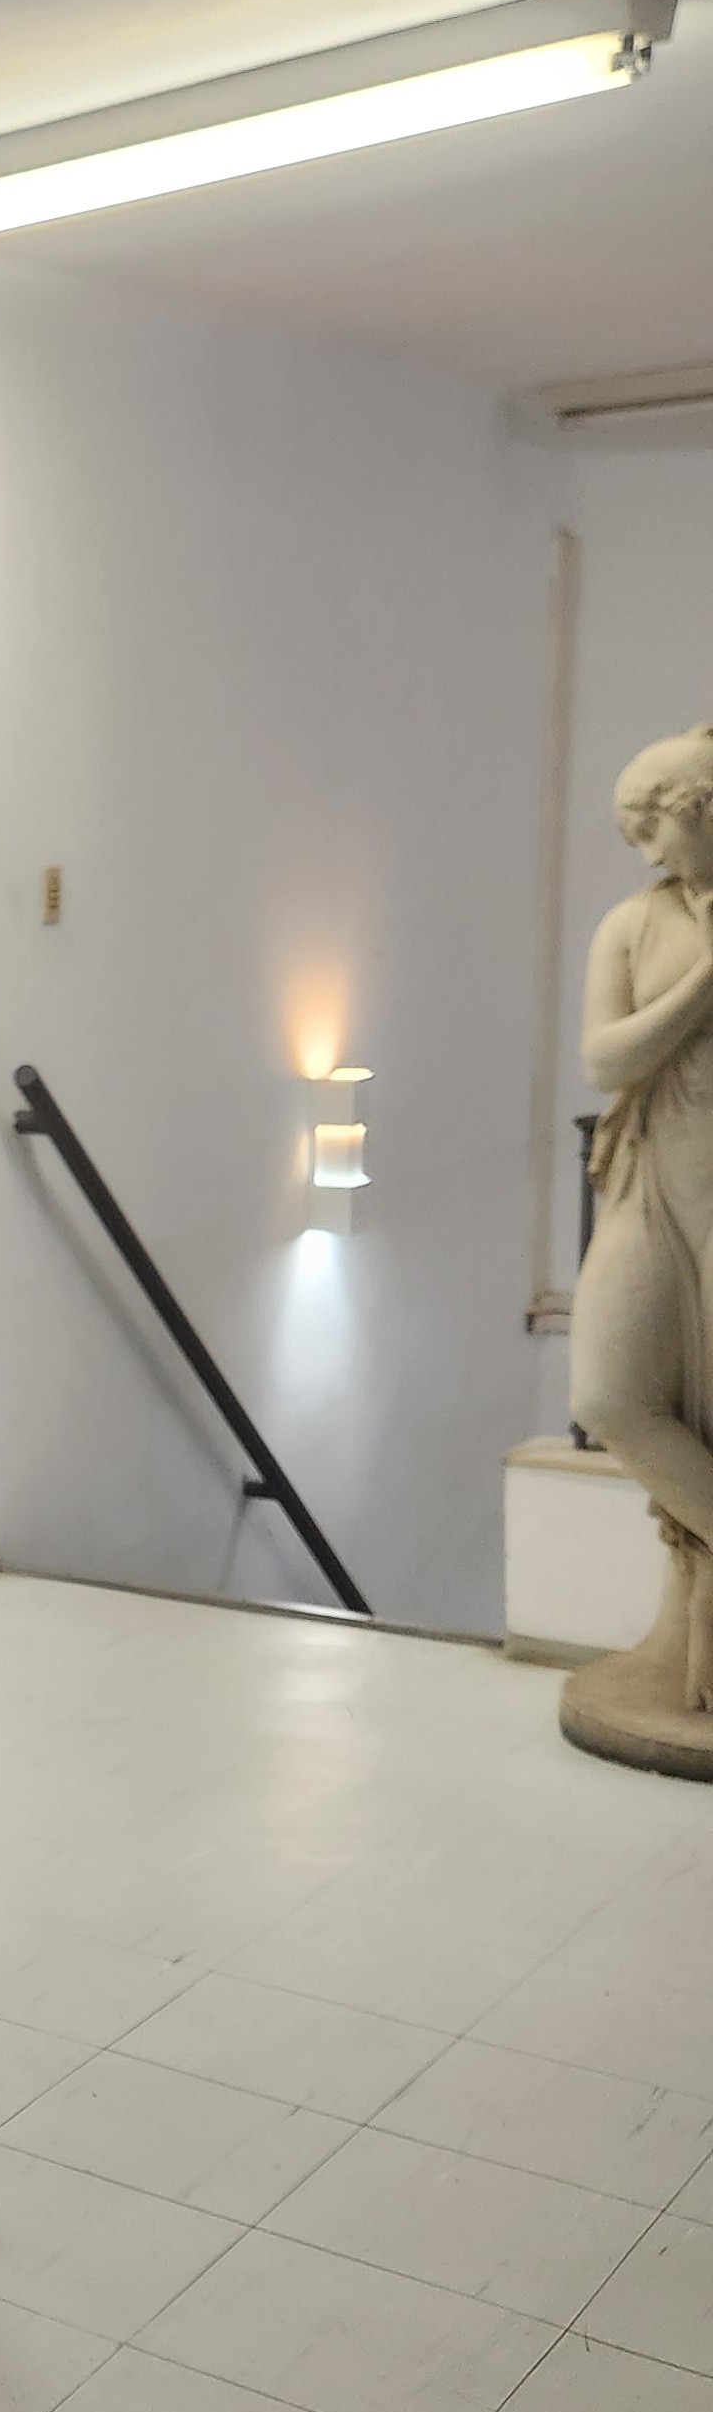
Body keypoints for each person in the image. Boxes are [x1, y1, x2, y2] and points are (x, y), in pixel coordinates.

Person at [574, 727, 713, 1706]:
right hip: (651, 1182)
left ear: (700, 808)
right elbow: (604, 1059)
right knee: (610, 1393)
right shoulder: (631, 926)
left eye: (653, 829)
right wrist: (704, 983)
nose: (647, 853)